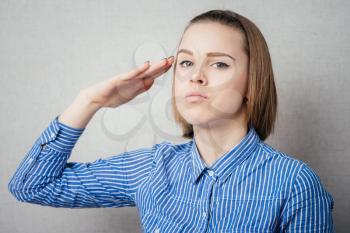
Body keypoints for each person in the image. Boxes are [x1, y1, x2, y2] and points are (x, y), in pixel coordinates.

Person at [8, 9, 334, 233]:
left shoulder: (295, 185)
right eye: (186, 63)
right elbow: (32, 185)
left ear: (253, 82)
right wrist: (90, 101)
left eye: (219, 64)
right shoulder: (151, 168)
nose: (196, 77)